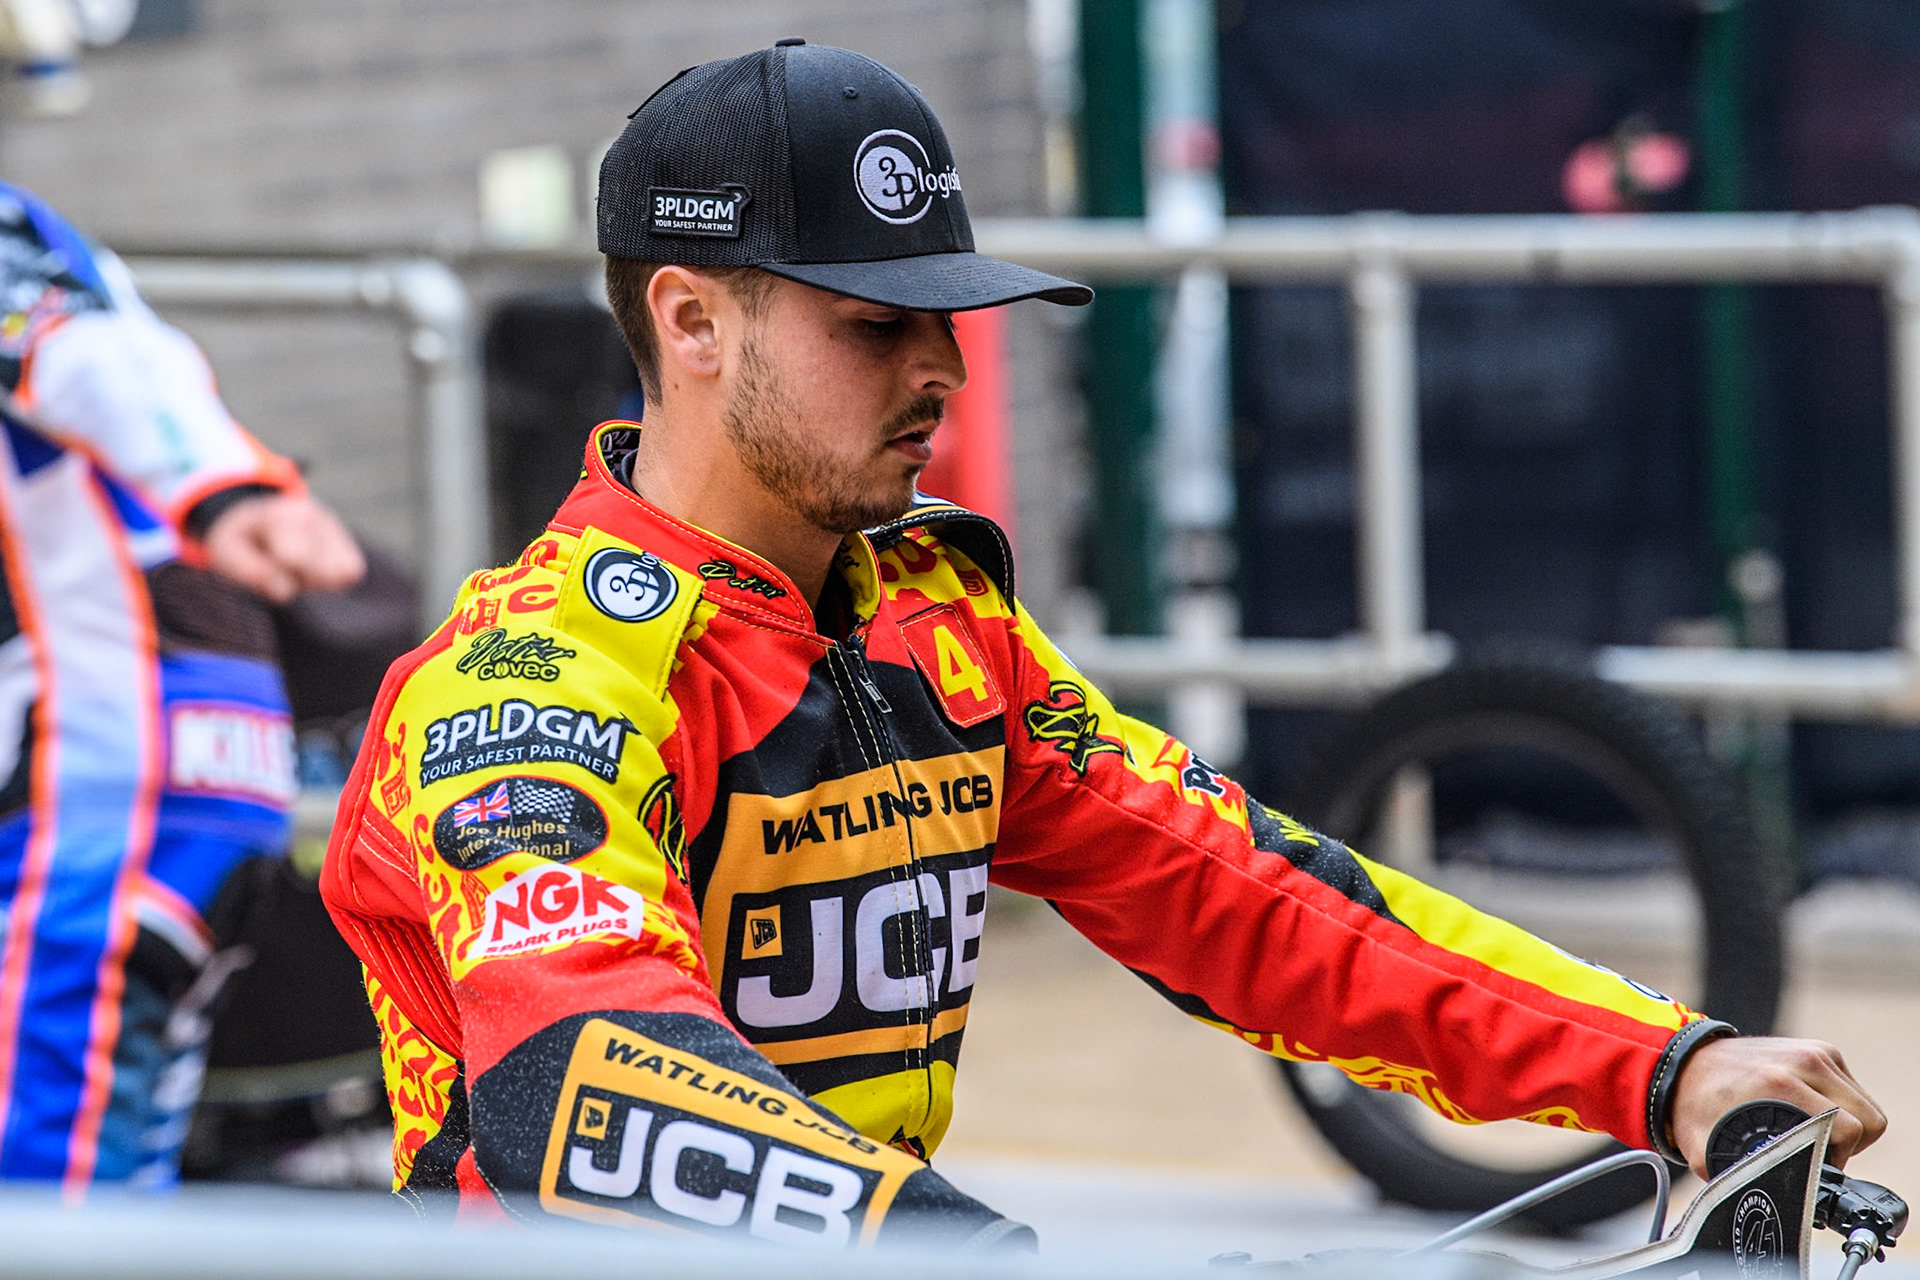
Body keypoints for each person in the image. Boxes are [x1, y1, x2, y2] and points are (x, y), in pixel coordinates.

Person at [320, 42, 1884, 1249]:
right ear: (690, 320)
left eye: (948, 317)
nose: (942, 366)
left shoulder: (940, 631)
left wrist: (1665, 1069)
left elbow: (1251, 899)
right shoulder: (529, 686)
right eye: (875, 323)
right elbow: (581, 1070)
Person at [0, 181, 364, 1188]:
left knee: (46, 1195)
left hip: (105, 754)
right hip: (149, 734)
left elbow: (70, 343)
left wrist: (223, 485)